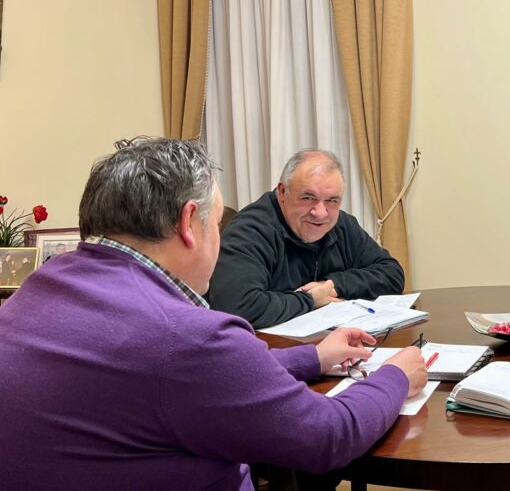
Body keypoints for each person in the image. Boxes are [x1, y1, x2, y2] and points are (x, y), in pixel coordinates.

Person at [0, 137, 427, 490]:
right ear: (191, 222)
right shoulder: (184, 334)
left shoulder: (37, 289)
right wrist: (396, 376)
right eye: (216, 222)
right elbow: (326, 437)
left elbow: (175, 375)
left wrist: (312, 357)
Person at [209, 149, 404, 329]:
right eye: (308, 198)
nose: (320, 213)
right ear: (282, 192)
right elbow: (236, 306)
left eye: (331, 200)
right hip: (268, 353)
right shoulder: (250, 230)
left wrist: (333, 285)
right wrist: (310, 300)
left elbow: (392, 274)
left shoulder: (342, 224)